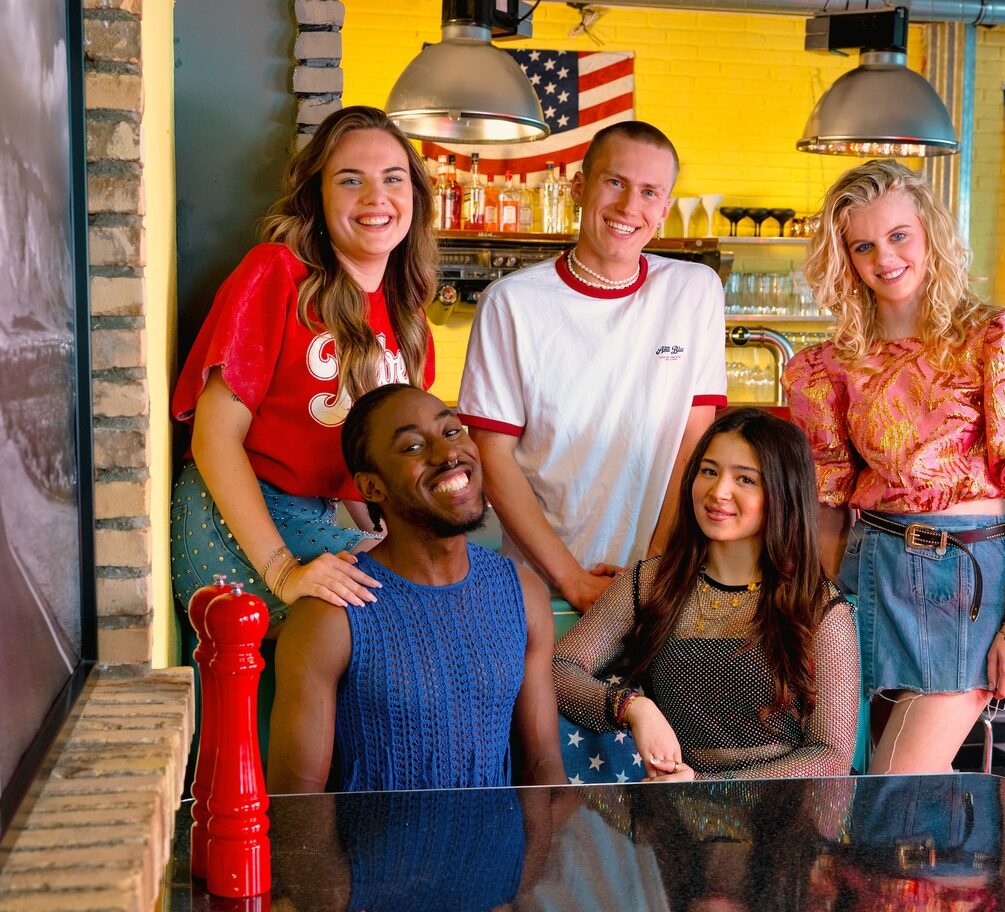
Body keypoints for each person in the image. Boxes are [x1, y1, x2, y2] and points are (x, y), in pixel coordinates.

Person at [782, 160, 1005, 775]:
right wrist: (816, 611)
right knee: (873, 780)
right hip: (870, 568)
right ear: (846, 259)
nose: (884, 258)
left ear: (930, 232)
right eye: (863, 246)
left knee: (895, 780)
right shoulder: (831, 365)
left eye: (899, 235)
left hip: (965, 578)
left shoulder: (1001, 336)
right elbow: (828, 501)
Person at [170, 105, 438, 626]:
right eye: (351, 180)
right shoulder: (276, 273)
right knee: (407, 609)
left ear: (415, 197)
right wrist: (284, 572)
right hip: (231, 521)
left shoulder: (409, 321)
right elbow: (213, 438)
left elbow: (365, 469)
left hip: (311, 516)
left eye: (393, 179)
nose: (376, 197)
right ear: (318, 196)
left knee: (435, 587)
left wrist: (386, 537)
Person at [457, 120, 727, 612]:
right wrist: (574, 580)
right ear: (579, 187)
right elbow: (492, 455)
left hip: (657, 584)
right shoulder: (511, 302)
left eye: (649, 192)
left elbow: (694, 440)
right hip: (542, 587)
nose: (629, 207)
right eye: (615, 182)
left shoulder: (694, 290)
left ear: (664, 209)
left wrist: (653, 570)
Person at [267, 384, 565, 793]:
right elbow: (296, 808)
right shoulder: (330, 613)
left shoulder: (523, 594)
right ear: (371, 488)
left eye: (452, 432)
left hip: (500, 837)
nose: (448, 454)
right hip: (377, 838)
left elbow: (544, 772)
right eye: (412, 447)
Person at [552, 407, 859, 781]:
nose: (718, 492)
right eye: (709, 471)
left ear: (783, 492)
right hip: (670, 806)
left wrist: (706, 787)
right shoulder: (650, 583)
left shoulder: (819, 606)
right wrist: (632, 707)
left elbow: (831, 755)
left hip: (783, 811)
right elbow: (557, 669)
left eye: (745, 479)